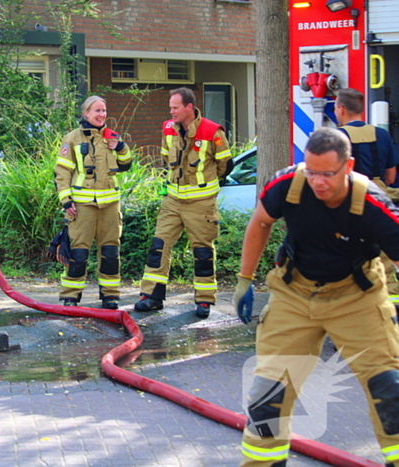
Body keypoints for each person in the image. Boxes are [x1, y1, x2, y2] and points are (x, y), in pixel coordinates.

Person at [233, 127, 399, 467]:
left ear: (348, 165)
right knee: (268, 397)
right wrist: (244, 280)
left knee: (390, 391)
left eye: (327, 173)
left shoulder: (371, 204)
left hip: (357, 297)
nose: (318, 181)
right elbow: (261, 222)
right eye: (311, 171)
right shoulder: (288, 185)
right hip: (294, 294)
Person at [134, 87, 232, 317]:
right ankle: (152, 296)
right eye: (170, 107)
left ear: (189, 107)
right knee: (159, 246)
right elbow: (166, 156)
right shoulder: (168, 128)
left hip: (201, 203)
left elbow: (224, 165)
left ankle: (204, 300)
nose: (171, 111)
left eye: (175, 107)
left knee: (203, 251)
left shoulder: (212, 131)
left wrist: (204, 186)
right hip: (173, 200)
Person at [54, 95, 132, 309]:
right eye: (97, 111)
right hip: (82, 205)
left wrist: (120, 146)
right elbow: (62, 172)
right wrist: (66, 200)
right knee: (78, 253)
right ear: (86, 113)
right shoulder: (72, 138)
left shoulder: (112, 137)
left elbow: (126, 165)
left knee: (110, 252)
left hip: (110, 206)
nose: (102, 115)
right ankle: (70, 296)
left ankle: (110, 295)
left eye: (104, 111)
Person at [334, 87, 399, 309]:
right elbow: (391, 176)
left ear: (340, 108)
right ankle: (391, 316)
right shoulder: (382, 135)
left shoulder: (337, 137)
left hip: (349, 201)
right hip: (379, 198)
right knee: (385, 262)